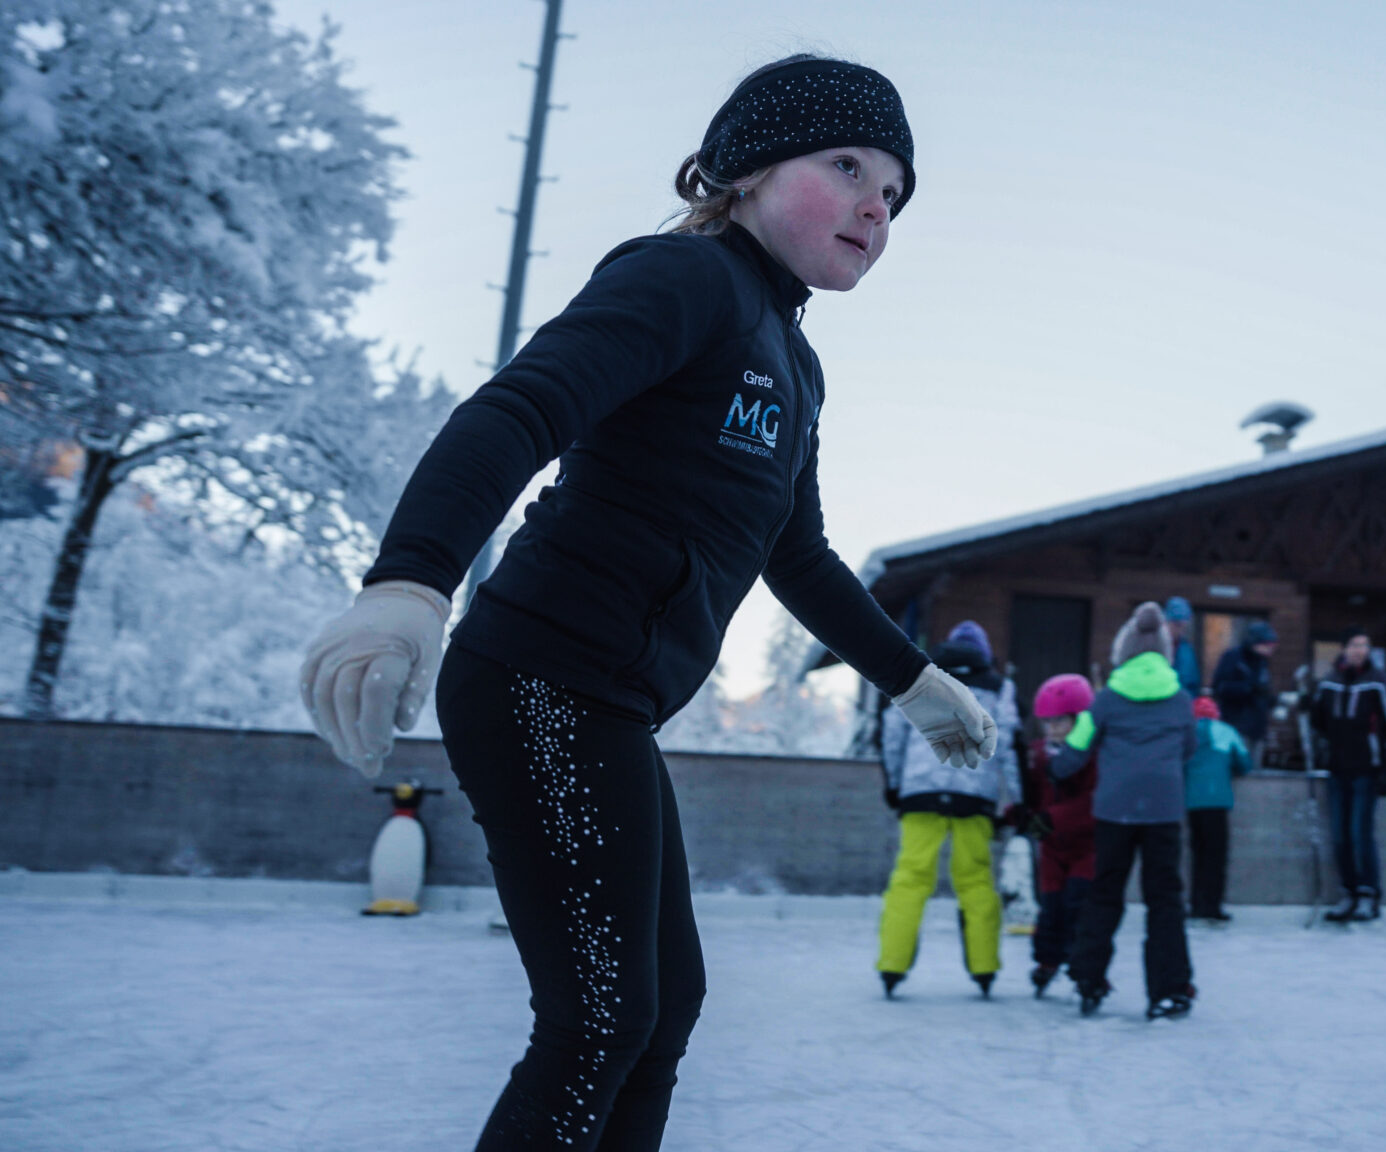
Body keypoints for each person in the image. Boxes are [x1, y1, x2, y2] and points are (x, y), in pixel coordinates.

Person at [296, 56, 1000, 1151]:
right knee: (601, 1017)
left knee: (660, 1011)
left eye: (895, 194)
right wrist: (410, 580)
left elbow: (797, 553)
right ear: (748, 169)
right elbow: (524, 407)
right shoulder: (685, 277)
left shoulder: (794, 363)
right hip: (539, 678)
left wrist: (911, 681)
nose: (876, 205)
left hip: (607, 703)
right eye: (847, 166)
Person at [1052, 602, 1199, 1020]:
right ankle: (1169, 989)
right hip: (1163, 811)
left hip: (1115, 811)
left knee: (1105, 892)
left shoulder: (1107, 700)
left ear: (1124, 650)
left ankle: (1088, 977)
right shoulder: (1181, 701)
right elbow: (1190, 748)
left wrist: (1056, 769)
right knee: (1165, 899)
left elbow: (1076, 747)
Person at [877, 622, 1022, 997]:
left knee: (910, 877)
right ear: (984, 654)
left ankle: (892, 966)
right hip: (974, 795)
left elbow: (892, 732)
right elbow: (1008, 745)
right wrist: (1018, 800)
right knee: (975, 880)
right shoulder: (999, 688)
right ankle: (984, 969)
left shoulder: (918, 677)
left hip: (920, 791)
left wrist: (893, 785)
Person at [1310, 628, 1386, 922]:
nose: (1359, 650)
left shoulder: (1379, 681)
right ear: (1343, 648)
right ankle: (1348, 892)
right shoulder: (1330, 682)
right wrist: (1307, 703)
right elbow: (1318, 721)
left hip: (1367, 769)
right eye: (1354, 645)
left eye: (1364, 645)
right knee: (1339, 835)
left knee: (1359, 833)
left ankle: (1368, 894)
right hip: (1337, 769)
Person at [1022, 673, 1099, 997]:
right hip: (1052, 848)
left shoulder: (1094, 755)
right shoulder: (1038, 755)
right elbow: (1033, 797)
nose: (1053, 729)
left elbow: (1092, 801)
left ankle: (1085, 969)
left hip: (1087, 846)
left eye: (1060, 722)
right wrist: (1016, 816)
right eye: (1047, 723)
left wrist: (1050, 819)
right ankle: (1047, 961)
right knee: (1050, 907)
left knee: (1078, 906)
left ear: (1079, 721)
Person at [1185, 695, 1253, 922]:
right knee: (1216, 856)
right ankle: (1212, 906)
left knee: (1197, 855)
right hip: (1217, 801)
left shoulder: (1185, 732)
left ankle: (1196, 904)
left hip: (1191, 802)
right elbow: (1245, 764)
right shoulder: (1227, 731)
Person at [1210, 620, 1278, 766]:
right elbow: (1220, 688)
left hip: (1257, 728)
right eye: (1267, 644)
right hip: (1236, 725)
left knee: (1254, 770)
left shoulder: (1262, 663)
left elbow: (1262, 691)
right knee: (1238, 768)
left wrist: (1271, 699)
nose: (1270, 648)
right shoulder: (1233, 658)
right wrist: (1249, 689)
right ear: (1255, 642)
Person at [1164, 596, 1202, 694]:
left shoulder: (1187, 650)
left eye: (1184, 627)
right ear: (1166, 622)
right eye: (1177, 625)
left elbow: (1193, 683)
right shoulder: (1153, 647)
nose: (1180, 631)